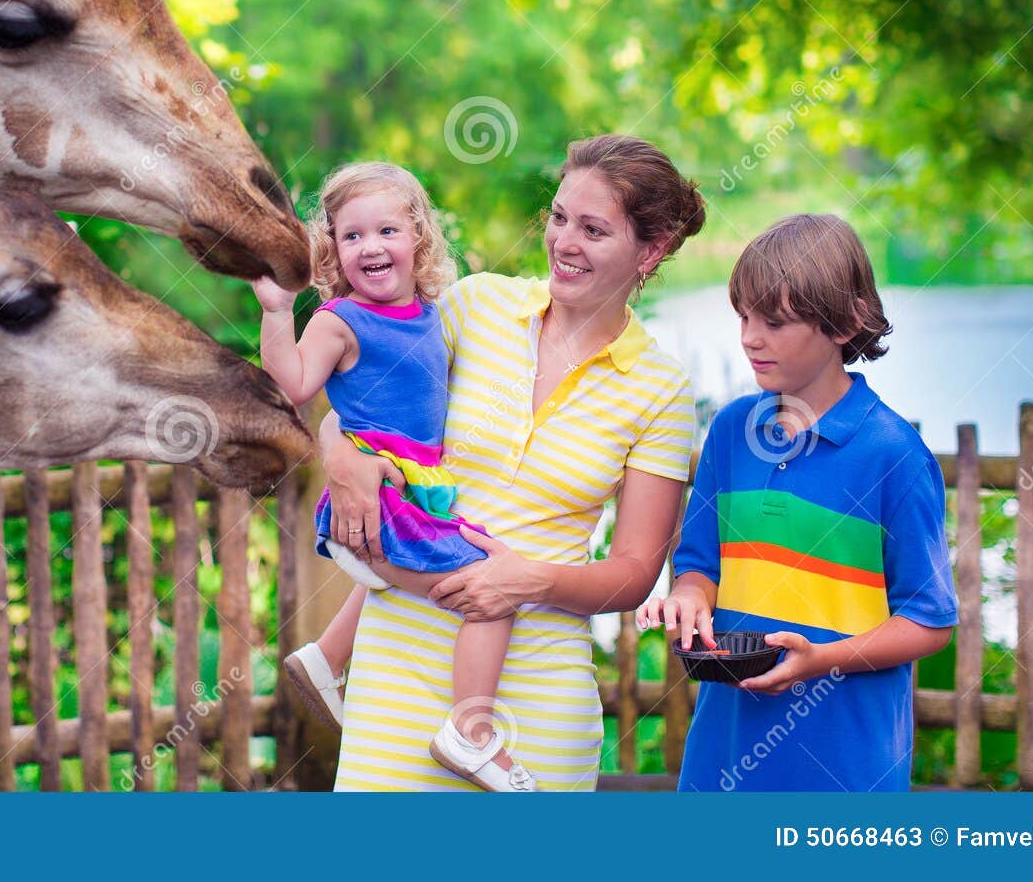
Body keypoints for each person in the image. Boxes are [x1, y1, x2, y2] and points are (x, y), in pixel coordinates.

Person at [317, 135, 706, 789]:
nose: (564, 242)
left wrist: (527, 580)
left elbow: (636, 572)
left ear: (652, 249)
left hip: (538, 692)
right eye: (558, 217)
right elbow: (365, 404)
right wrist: (338, 454)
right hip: (398, 670)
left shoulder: (661, 388)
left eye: (593, 229)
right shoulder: (475, 306)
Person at [637, 213, 957, 791]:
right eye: (744, 317)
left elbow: (929, 623)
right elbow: (700, 564)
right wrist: (687, 596)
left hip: (846, 769)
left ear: (845, 323)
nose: (750, 337)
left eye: (775, 322)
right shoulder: (733, 432)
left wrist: (825, 659)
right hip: (722, 758)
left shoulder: (894, 455)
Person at [254, 161, 535, 790]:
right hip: (378, 502)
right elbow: (295, 386)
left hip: (416, 496)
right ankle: (471, 734)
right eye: (351, 237)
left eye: (387, 230)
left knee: (417, 571)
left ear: (419, 240)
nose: (371, 247)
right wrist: (277, 311)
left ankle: (326, 657)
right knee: (494, 594)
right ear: (332, 250)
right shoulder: (339, 320)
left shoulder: (431, 311)